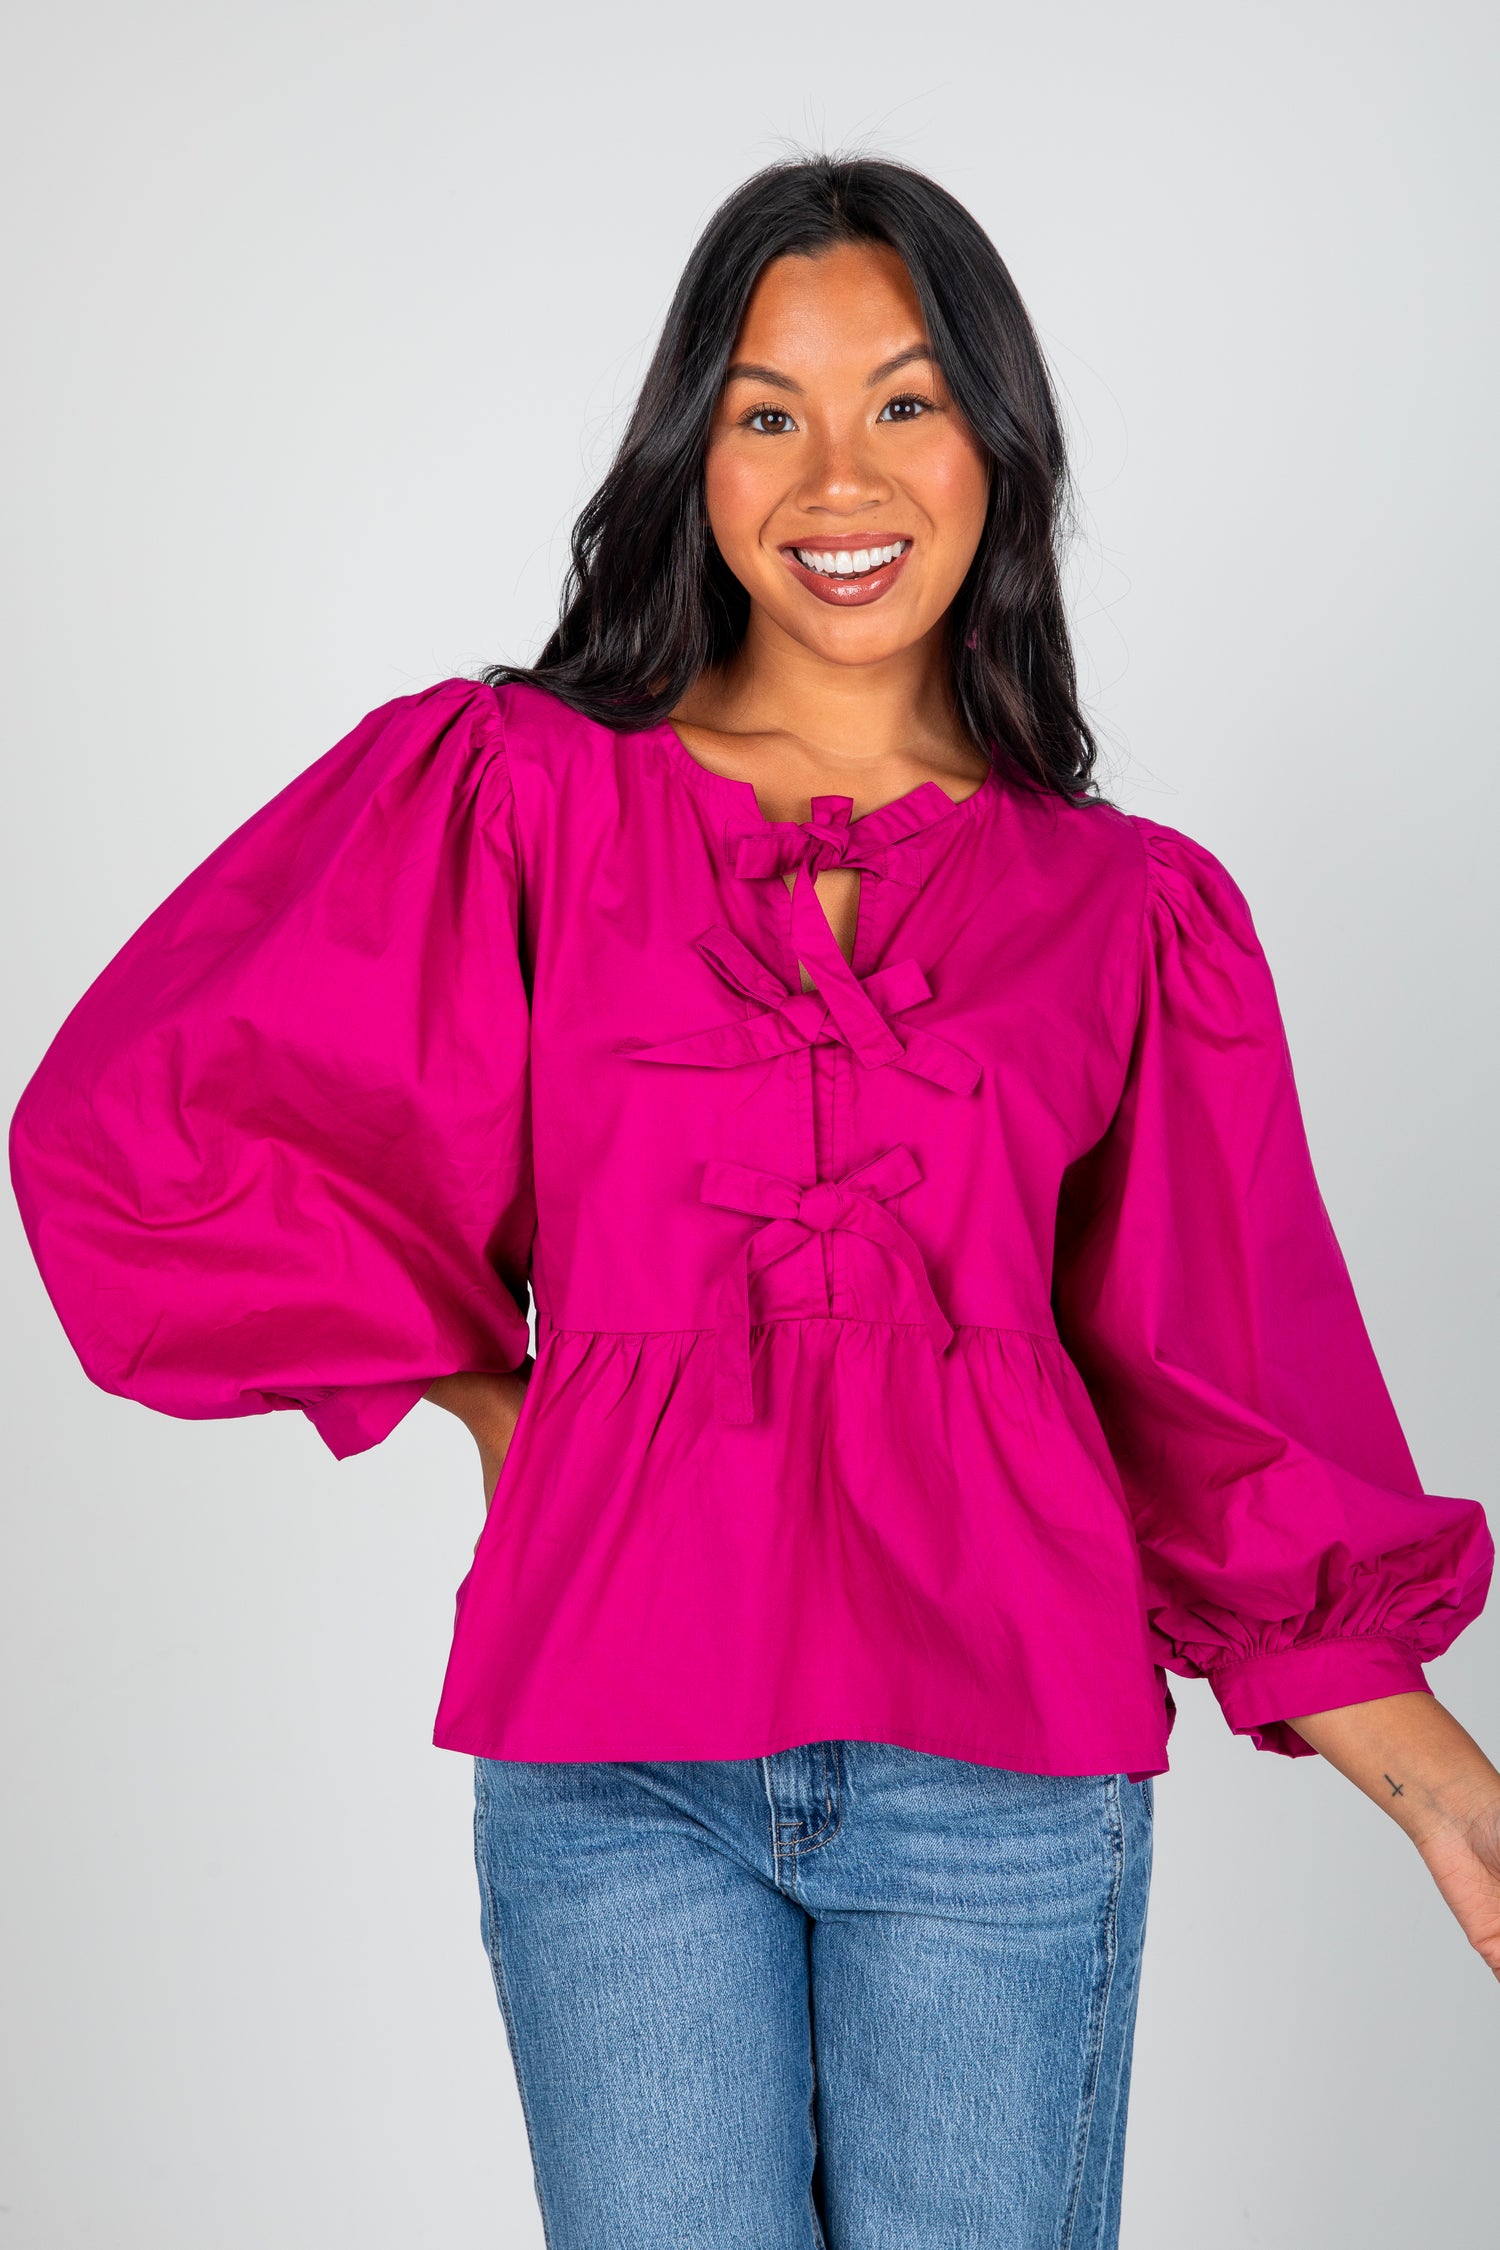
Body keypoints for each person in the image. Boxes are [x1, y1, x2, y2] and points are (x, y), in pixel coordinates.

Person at [9, 155, 1497, 2250]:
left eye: (903, 401)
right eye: (765, 411)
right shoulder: (516, 794)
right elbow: (157, 1107)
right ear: (689, 457)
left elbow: (1220, 1392)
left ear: (998, 442)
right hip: (611, 1763)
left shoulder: (1126, 909)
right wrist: (493, 1398)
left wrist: (1444, 1786)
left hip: (1003, 1772)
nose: (836, 477)